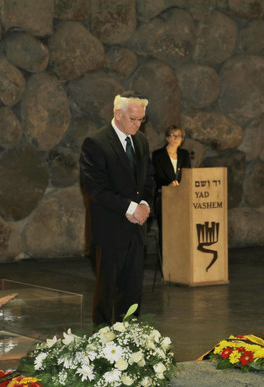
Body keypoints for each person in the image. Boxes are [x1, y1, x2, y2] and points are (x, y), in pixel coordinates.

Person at [80, 91, 155, 326]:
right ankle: (102, 341)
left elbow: (150, 179)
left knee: (132, 291)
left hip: (136, 230)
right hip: (109, 230)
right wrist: (131, 207)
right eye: (133, 119)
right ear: (117, 114)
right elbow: (95, 188)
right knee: (106, 291)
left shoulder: (141, 141)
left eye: (141, 119)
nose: (137, 124)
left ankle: (130, 340)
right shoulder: (96, 142)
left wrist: (144, 205)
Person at [152, 125, 191, 254]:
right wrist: (167, 184)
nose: (175, 139)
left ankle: (179, 264)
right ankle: (166, 265)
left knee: (180, 232)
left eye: (178, 136)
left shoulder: (184, 155)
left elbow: (188, 174)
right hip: (165, 197)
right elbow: (156, 176)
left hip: (181, 198)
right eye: (172, 136)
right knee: (166, 232)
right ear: (167, 138)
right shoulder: (158, 155)